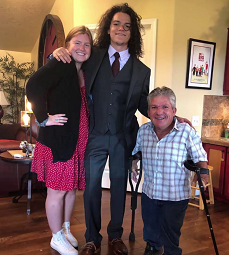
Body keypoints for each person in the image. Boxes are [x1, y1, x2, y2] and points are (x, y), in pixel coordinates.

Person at [53, 4, 192, 255]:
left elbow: (143, 104)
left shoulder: (142, 71)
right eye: (117, 23)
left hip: (123, 137)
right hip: (94, 135)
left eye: (127, 26)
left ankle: (115, 237)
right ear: (108, 28)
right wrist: (60, 52)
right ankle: (92, 238)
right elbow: (70, 63)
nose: (121, 29)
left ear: (132, 33)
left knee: (119, 188)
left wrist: (170, 117)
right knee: (92, 188)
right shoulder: (91, 57)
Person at [26, 26, 93, 255]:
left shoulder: (84, 70)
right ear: (68, 45)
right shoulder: (61, 64)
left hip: (77, 141)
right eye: (77, 43)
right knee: (57, 191)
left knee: (70, 189)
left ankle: (65, 229)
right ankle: (56, 237)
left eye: (87, 44)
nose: (82, 48)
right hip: (59, 141)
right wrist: (43, 119)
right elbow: (33, 85)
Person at [131, 87, 208, 255]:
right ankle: (153, 246)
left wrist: (203, 173)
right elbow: (137, 151)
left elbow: (200, 155)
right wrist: (133, 164)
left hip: (175, 195)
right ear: (148, 110)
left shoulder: (186, 132)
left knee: (171, 231)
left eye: (165, 107)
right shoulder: (144, 131)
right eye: (154, 107)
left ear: (174, 111)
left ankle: (172, 251)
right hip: (150, 193)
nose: (159, 112)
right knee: (150, 225)